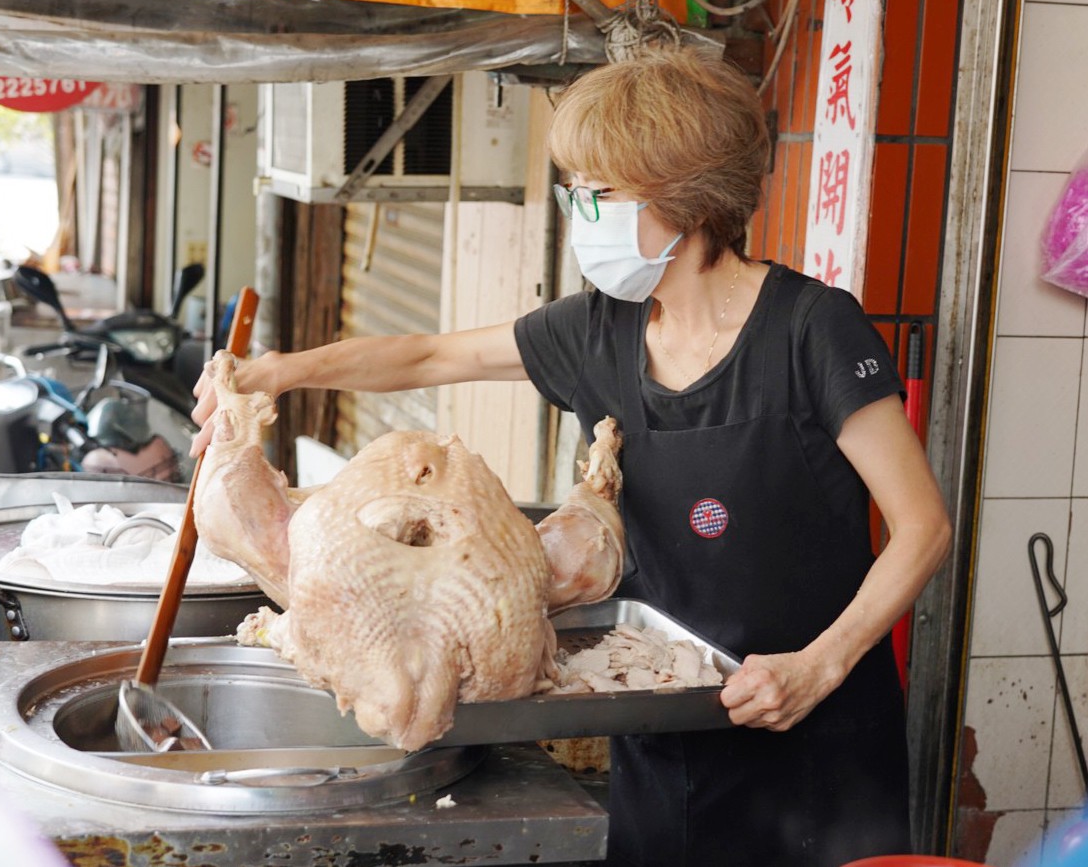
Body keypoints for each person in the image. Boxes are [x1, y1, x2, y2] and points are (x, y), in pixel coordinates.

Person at [191, 46, 951, 867]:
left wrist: (817, 666)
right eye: (575, 190)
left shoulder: (812, 330)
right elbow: (429, 357)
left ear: (682, 197)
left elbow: (922, 527)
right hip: (664, 727)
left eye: (599, 192)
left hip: (815, 742)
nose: (579, 212)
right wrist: (278, 370)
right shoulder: (602, 329)